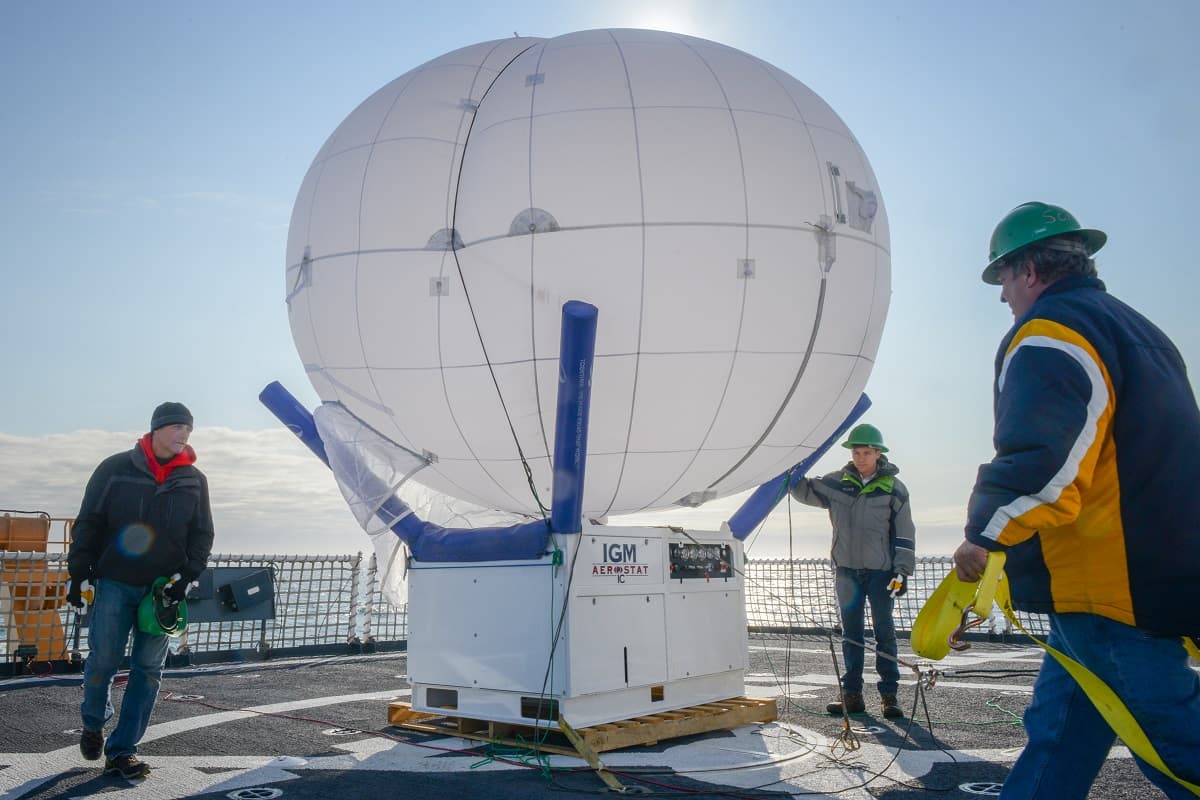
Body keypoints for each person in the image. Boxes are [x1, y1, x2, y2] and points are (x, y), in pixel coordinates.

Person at [953, 202, 1200, 798]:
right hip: (1140, 574)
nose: (1003, 296)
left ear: (1030, 271)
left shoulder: (1051, 334)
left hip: (1109, 587)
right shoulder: (1141, 330)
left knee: (1176, 742)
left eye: (1004, 279)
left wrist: (985, 533)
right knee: (1060, 734)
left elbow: (1044, 460)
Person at [66, 402, 214, 780]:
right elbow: (89, 521)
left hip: (161, 591)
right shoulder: (114, 469)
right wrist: (79, 571)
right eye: (177, 427)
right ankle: (94, 722)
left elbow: (202, 534)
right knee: (104, 661)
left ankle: (123, 750)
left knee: (148, 670)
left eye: (188, 429)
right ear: (156, 430)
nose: (183, 435)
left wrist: (188, 576)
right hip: (115, 581)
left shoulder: (194, 479)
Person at [791, 423, 915, 719]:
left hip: (882, 573)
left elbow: (905, 533)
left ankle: (889, 696)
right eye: (857, 452)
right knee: (851, 634)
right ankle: (852, 695)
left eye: (866, 452)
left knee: (885, 632)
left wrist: (902, 571)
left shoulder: (895, 489)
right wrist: (788, 466)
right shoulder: (836, 483)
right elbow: (803, 490)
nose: (860, 457)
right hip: (846, 572)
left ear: (878, 453)